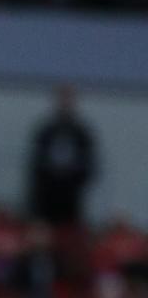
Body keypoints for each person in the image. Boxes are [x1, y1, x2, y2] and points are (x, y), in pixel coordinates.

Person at [28, 88, 98, 227]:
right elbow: (36, 162)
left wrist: (74, 179)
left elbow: (88, 163)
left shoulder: (80, 132)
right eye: (62, 100)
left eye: (68, 100)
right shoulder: (47, 131)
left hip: (71, 193)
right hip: (47, 193)